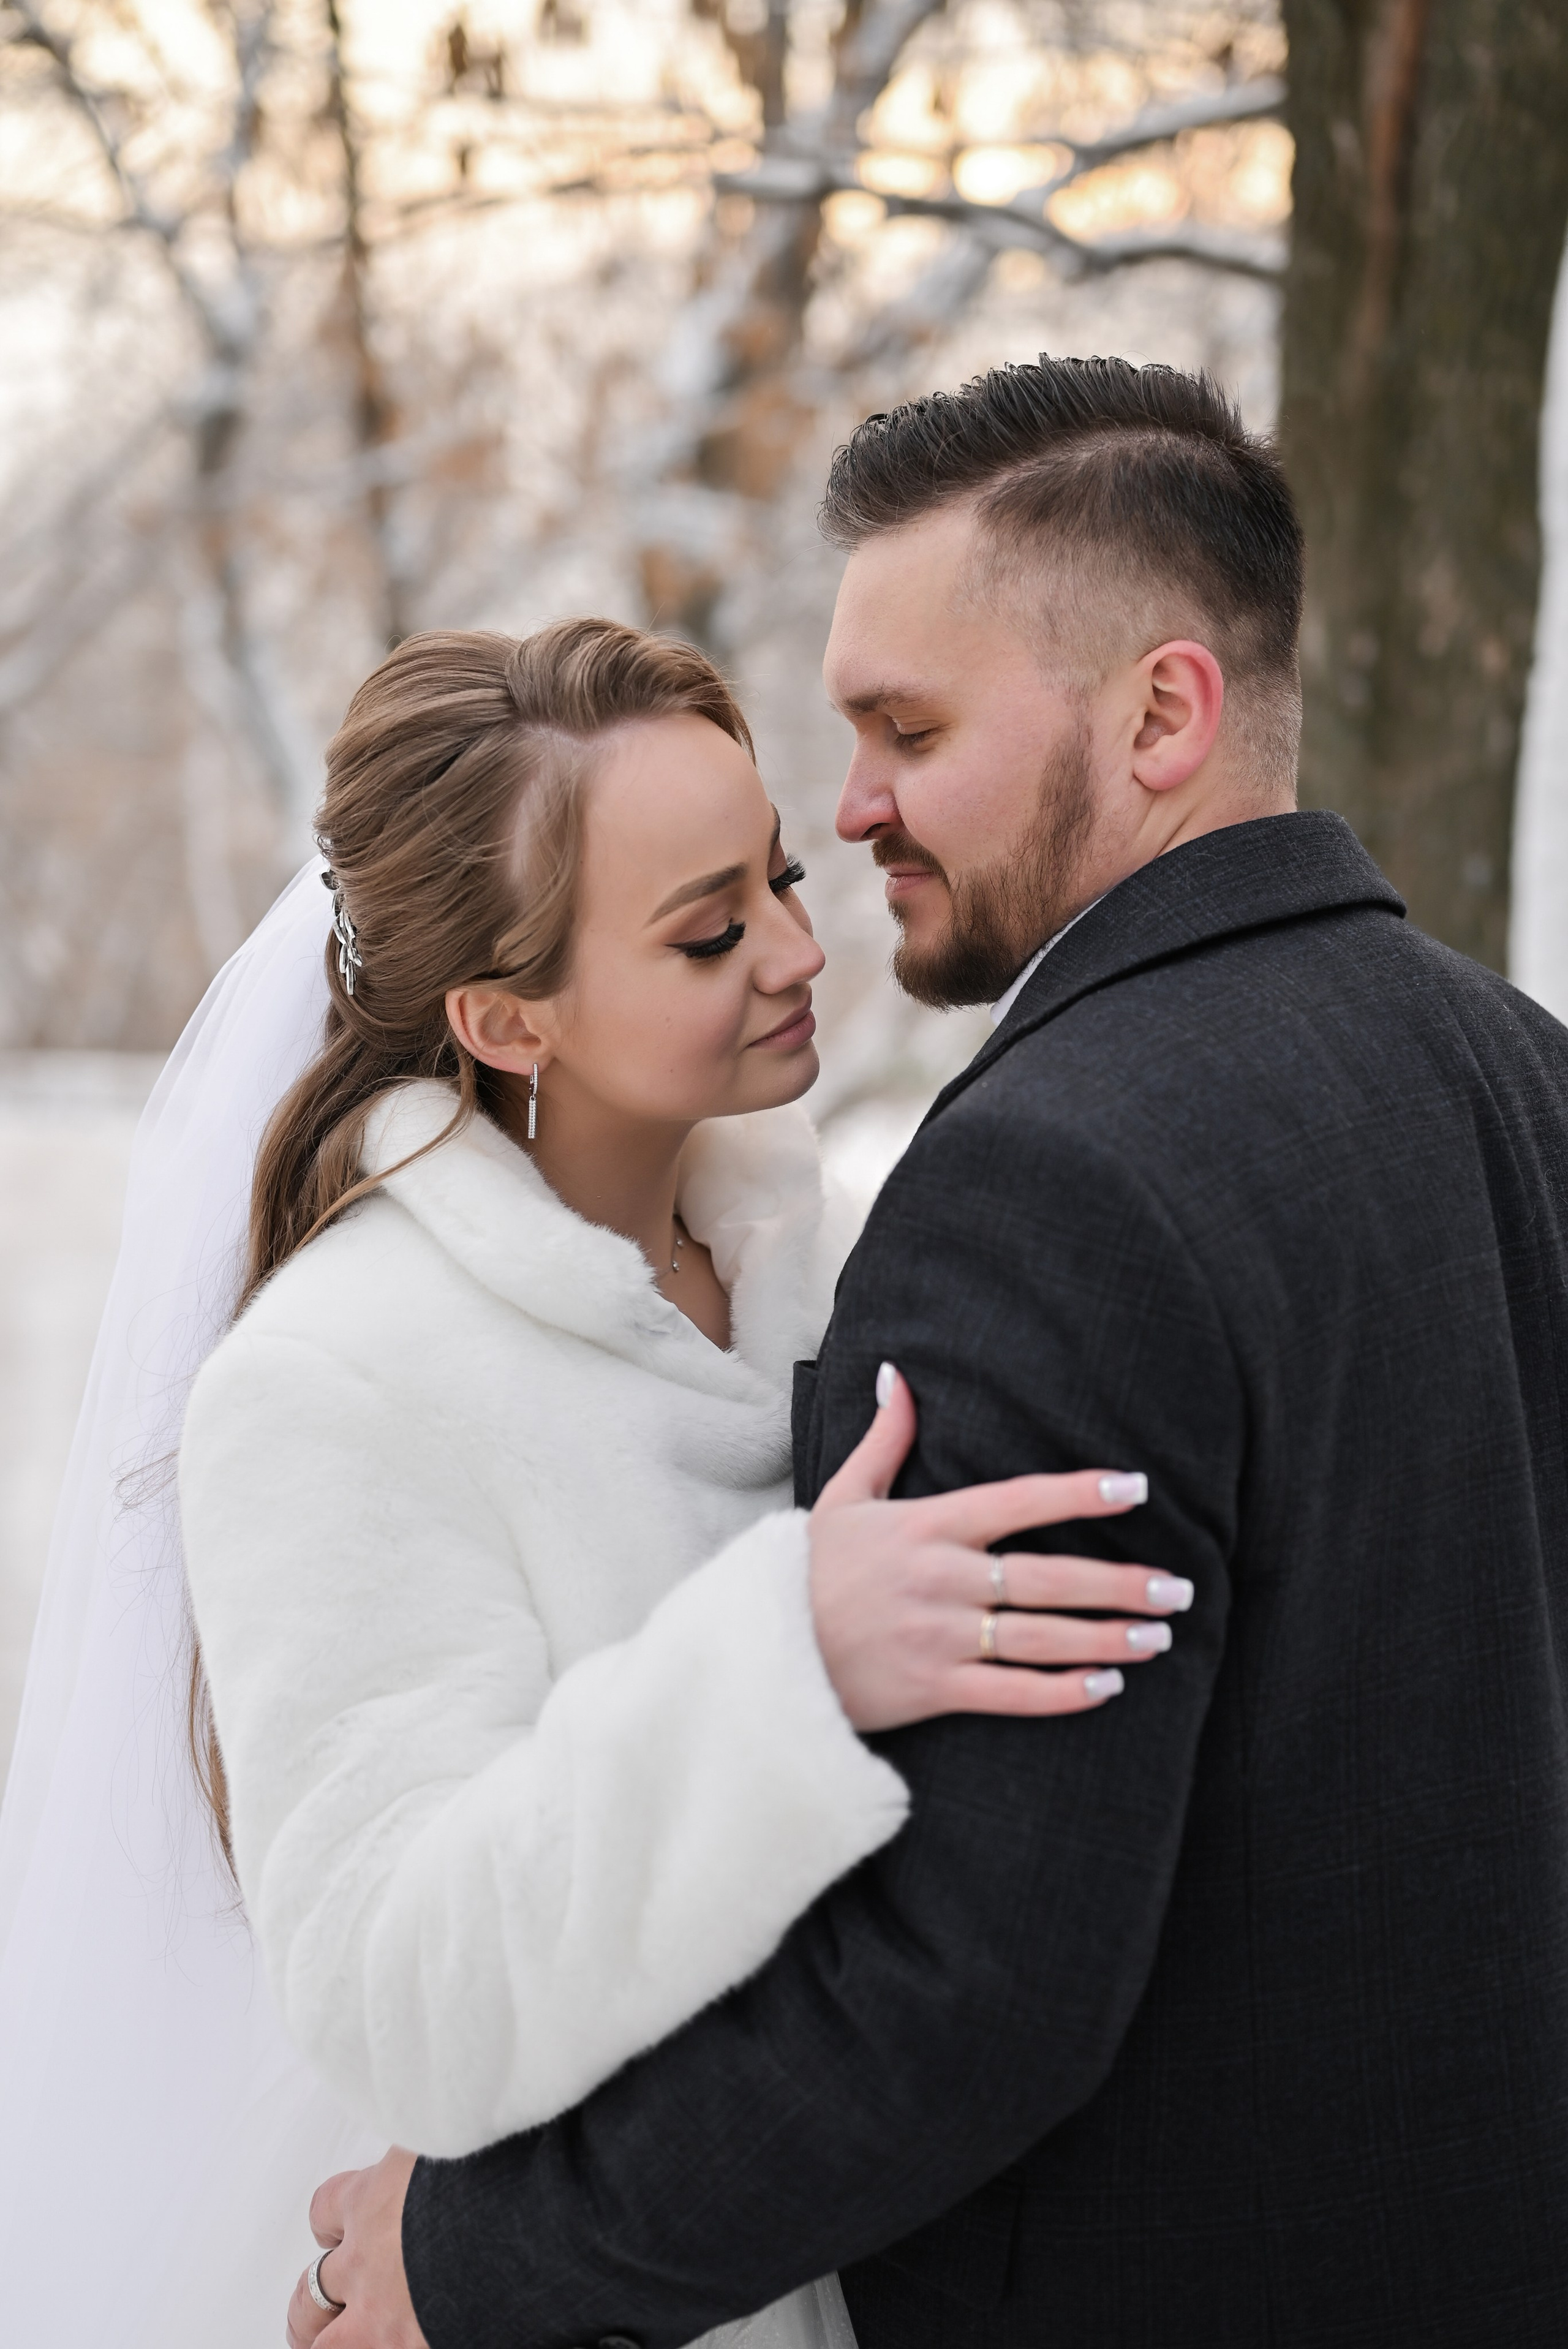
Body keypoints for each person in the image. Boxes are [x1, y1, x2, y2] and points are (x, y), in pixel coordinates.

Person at [303, 355, 1568, 2349]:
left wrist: (474, 2263)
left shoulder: (1048, 1191)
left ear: (1166, 712)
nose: (857, 801)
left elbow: (965, 1988)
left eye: (910, 726)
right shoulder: (1521, 1075)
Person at [175, 617, 1185, 2347]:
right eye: (712, 928)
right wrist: (783, 1657)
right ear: (505, 1015)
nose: (803, 947)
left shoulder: (832, 1257)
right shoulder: (330, 1380)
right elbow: (398, 1986)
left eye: (781, 874)